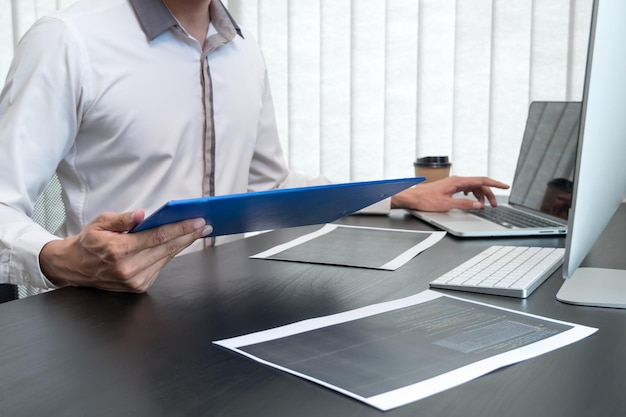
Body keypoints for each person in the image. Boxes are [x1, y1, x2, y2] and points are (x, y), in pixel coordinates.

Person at [0, 0, 508, 294]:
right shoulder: (68, 39)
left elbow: (269, 185)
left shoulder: (244, 52)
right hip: (104, 323)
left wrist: (401, 194)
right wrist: (57, 256)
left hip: (229, 309)